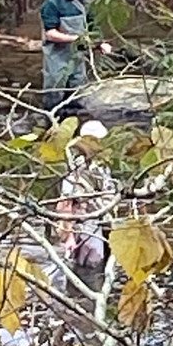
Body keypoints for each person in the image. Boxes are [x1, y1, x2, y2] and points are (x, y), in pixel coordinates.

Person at [40, 0, 112, 114]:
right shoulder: (53, 2)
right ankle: (50, 119)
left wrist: (100, 43)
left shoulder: (84, 0)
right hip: (57, 56)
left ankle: (75, 118)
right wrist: (75, 39)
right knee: (55, 88)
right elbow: (50, 33)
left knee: (78, 89)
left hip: (78, 56)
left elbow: (92, 25)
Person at [55, 119, 115, 292]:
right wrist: (69, 235)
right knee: (90, 269)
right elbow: (66, 204)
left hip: (103, 224)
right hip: (85, 227)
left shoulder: (103, 167)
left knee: (100, 269)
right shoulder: (76, 170)